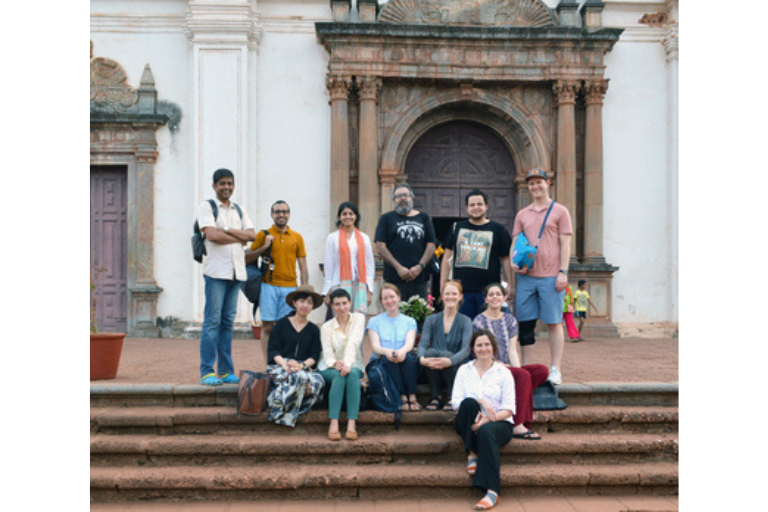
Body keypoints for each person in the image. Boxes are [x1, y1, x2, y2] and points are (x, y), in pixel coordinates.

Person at [511, 168, 573, 385]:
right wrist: (513, 260)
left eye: (539, 182)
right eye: (531, 183)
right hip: (527, 277)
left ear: (548, 184)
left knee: (554, 322)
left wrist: (563, 272)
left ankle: (555, 367)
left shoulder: (560, 211)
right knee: (525, 323)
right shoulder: (522, 214)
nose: (535, 187)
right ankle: (526, 368)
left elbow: (565, 244)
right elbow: (516, 242)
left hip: (551, 276)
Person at [196, 168, 257, 386]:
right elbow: (211, 235)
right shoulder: (207, 207)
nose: (226, 187)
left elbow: (252, 235)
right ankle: (207, 371)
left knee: (227, 323)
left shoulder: (239, 210)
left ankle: (225, 370)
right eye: (222, 183)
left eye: (230, 183)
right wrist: (238, 238)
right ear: (214, 186)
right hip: (216, 272)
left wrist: (228, 230)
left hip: (237, 273)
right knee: (212, 322)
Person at [473, 283, 548, 440]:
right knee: (523, 376)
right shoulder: (479, 321)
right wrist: (514, 371)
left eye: (498, 294)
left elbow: (512, 349)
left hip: (508, 366)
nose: (495, 298)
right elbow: (481, 351)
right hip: (490, 367)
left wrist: (517, 369)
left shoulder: (510, 319)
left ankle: (517, 388)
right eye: (491, 295)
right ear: (486, 299)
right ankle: (518, 425)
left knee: (541, 370)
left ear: (504, 297)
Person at [451, 330, 516, 511]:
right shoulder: (464, 370)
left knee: (487, 432)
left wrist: (488, 419)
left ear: (493, 347)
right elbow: (456, 401)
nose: (483, 348)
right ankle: (472, 453)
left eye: (487, 344)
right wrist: (482, 402)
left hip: (499, 423)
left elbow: (510, 409)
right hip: (469, 419)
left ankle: (492, 492)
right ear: (473, 348)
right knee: (469, 403)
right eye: (479, 345)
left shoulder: (503, 373)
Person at [246, 200, 308, 363]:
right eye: (277, 211)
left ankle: (284, 362)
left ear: (289, 214)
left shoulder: (297, 237)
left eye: (285, 211)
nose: (281, 214)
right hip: (268, 286)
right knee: (267, 326)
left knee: (286, 328)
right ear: (272, 214)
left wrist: (304, 290)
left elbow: (302, 264)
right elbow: (246, 258)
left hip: (290, 288)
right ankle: (268, 363)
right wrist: (264, 247)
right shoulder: (263, 234)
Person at [440, 189, 514, 319]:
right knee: (464, 332)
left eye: (479, 204)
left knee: (488, 331)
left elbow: (506, 259)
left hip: (489, 292)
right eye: (472, 205)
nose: (476, 208)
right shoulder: (456, 228)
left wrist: (511, 285)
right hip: (461, 291)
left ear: (486, 206)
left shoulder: (498, 229)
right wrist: (443, 285)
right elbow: (446, 257)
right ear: (466, 208)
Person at [265, 284, 325, 427]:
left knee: (318, 383)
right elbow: (273, 350)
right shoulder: (281, 324)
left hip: (302, 367)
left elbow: (314, 355)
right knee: (299, 378)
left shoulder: (313, 330)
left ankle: (277, 398)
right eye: (302, 301)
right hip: (280, 366)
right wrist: (285, 364)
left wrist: (301, 365)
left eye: (309, 302)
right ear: (294, 303)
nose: (305, 305)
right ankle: (282, 415)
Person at [374, 183, 438, 301]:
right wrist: (399, 268)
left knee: (419, 315)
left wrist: (419, 267)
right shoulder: (386, 219)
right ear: (394, 200)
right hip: (394, 278)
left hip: (419, 278)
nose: (403, 198)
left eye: (406, 195)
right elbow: (380, 247)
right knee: (394, 314)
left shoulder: (424, 218)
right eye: (398, 196)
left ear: (412, 198)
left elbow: (431, 245)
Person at [417, 280, 473, 411]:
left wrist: (449, 361)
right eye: (447, 294)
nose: (450, 297)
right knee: (429, 353)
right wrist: (421, 358)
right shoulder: (431, 319)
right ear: (442, 296)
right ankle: (436, 395)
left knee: (445, 354)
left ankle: (451, 395)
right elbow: (423, 344)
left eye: (454, 294)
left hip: (456, 364)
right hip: (434, 365)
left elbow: (466, 349)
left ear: (460, 297)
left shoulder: (466, 321)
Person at [319, 288, 366, 441]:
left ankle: (352, 424)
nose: (342, 307)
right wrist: (336, 364)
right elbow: (327, 354)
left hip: (354, 364)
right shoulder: (326, 327)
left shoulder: (359, 319)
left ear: (350, 303)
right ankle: (334, 423)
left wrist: (346, 364)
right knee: (339, 376)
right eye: (337, 304)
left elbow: (353, 343)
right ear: (332, 306)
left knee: (352, 374)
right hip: (329, 366)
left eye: (345, 303)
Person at [366, 283, 421, 411]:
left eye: (392, 297)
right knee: (388, 359)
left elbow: (409, 344)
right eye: (385, 298)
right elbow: (376, 347)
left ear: (399, 297)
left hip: (404, 358)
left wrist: (401, 351)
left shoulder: (409, 321)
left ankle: (412, 396)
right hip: (380, 360)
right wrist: (388, 351)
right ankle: (401, 397)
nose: (389, 301)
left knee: (409, 358)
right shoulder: (374, 321)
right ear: (381, 301)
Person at [322, 202, 375, 314]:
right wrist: (327, 291)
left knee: (357, 320)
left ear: (355, 216)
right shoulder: (332, 238)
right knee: (340, 319)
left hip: (359, 285)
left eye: (351, 214)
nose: (348, 217)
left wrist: (369, 291)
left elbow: (369, 264)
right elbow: (329, 265)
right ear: (340, 217)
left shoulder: (364, 238)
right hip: (338, 283)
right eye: (344, 214)